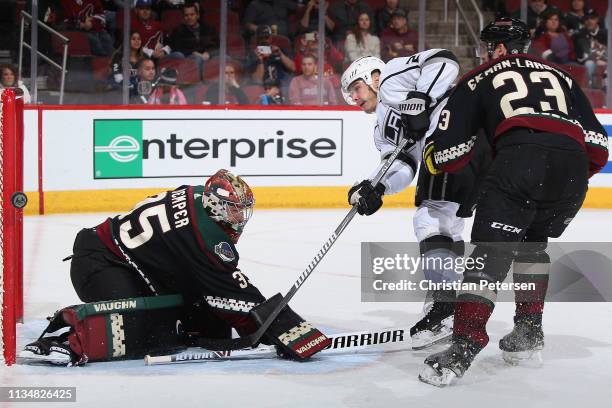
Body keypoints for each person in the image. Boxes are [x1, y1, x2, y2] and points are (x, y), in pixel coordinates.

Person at [419, 17, 608, 387]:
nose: (485, 54)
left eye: (488, 48)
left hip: (520, 163)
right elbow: (598, 146)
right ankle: (528, 334)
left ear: (499, 49)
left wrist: (429, 154)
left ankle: (463, 346)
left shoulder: (478, 77)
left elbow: (452, 154)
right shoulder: (564, 76)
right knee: (533, 247)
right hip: (570, 173)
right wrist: (559, 175)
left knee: (489, 255)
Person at [21, 170, 331, 365]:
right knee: (143, 331)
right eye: (234, 211)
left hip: (127, 262)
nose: (239, 218)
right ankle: (65, 341)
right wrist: (279, 328)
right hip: (100, 264)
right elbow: (231, 289)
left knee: (205, 317)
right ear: (215, 206)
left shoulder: (198, 193)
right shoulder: (205, 234)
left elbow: (205, 284)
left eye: (242, 210)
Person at [342, 51, 491, 350]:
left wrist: (420, 100)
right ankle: (449, 301)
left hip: (459, 134)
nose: (354, 99)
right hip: (472, 151)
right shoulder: (381, 131)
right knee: (449, 223)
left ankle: (446, 307)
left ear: (373, 77)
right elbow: (404, 165)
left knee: (429, 218)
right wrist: (377, 187)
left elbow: (445, 61)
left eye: (355, 89)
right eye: (349, 96)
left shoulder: (392, 76)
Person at [167, 3, 219, 77]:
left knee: (225, 57)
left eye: (192, 14)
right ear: (183, 17)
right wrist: (195, 53)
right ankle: (199, 84)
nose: (189, 17)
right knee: (198, 59)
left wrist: (208, 53)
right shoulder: (178, 31)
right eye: (186, 15)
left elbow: (216, 45)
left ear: (198, 15)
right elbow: (177, 48)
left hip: (208, 54)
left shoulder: (209, 28)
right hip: (189, 56)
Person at [245, 25, 295, 92]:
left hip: (281, 87)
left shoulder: (278, 51)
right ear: (257, 40)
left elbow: (293, 68)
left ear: (271, 38)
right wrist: (260, 60)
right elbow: (257, 79)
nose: (264, 40)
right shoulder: (252, 55)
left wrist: (280, 54)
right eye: (261, 38)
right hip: (263, 88)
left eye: (266, 37)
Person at [574, 9, 607, 88]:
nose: (589, 21)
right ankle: (590, 90)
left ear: (597, 20)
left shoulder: (606, 34)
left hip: (606, 62)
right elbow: (580, 58)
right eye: (586, 19)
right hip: (590, 62)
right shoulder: (579, 35)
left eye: (592, 18)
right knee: (589, 64)